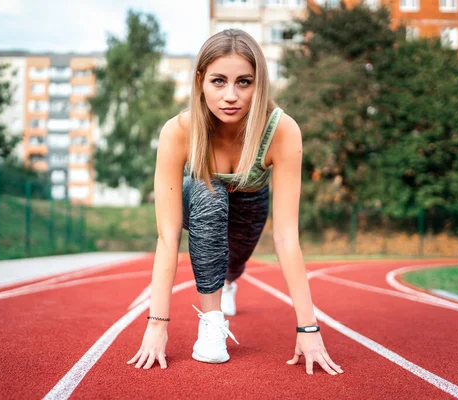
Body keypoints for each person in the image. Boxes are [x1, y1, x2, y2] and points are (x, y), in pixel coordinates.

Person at [127, 29, 343, 376]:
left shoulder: (282, 130)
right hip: (197, 199)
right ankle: (212, 322)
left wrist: (309, 329)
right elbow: (167, 237)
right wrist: (157, 324)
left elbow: (287, 236)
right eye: (218, 81)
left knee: (233, 263)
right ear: (200, 81)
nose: (231, 95)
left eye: (244, 82)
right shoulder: (178, 131)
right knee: (209, 195)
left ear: (259, 85)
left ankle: (229, 279)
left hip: (250, 204)